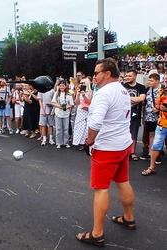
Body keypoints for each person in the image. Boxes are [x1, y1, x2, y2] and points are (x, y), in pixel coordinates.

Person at [76, 58, 136, 247]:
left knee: (101, 188)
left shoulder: (104, 93)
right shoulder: (123, 90)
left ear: (107, 74)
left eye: (96, 73)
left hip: (107, 148)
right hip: (123, 145)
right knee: (123, 181)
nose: (93, 76)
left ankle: (97, 233)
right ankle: (129, 218)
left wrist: (89, 140)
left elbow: (94, 123)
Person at [142, 85, 167, 176]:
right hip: (162, 124)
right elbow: (156, 105)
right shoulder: (162, 92)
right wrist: (160, 107)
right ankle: (151, 167)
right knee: (156, 146)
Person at [123, 69, 146, 161]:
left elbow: (141, 99)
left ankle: (132, 152)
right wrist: (134, 99)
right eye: (126, 76)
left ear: (135, 76)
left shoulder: (141, 87)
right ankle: (124, 152)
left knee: (134, 134)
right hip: (123, 115)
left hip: (135, 114)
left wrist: (127, 98)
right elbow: (120, 99)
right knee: (123, 134)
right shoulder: (122, 86)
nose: (127, 78)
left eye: (129, 76)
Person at [51, 81, 73, 148]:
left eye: (63, 85)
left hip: (66, 114)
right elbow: (53, 102)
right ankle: (59, 143)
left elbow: (71, 104)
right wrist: (59, 106)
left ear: (65, 86)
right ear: (58, 86)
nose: (61, 87)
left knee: (66, 129)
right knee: (59, 129)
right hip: (58, 113)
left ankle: (65, 142)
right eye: (60, 86)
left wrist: (66, 107)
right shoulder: (56, 94)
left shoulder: (69, 94)